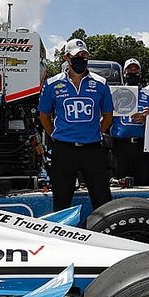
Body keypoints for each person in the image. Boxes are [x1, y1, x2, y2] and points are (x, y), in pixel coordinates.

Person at [39, 38, 114, 211]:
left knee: (102, 199)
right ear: (66, 58)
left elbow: (108, 115)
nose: (81, 59)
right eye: (76, 55)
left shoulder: (101, 83)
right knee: (62, 200)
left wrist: (97, 132)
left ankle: (104, 235)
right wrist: (55, 135)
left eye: (84, 55)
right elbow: (44, 116)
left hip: (92, 148)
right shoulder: (52, 84)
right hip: (64, 150)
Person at [110, 58, 149, 185]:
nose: (133, 72)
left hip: (143, 147)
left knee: (144, 185)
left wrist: (148, 118)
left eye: (136, 70)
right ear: (124, 73)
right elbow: (106, 118)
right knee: (120, 185)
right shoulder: (114, 93)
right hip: (120, 147)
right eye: (129, 70)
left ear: (140, 73)